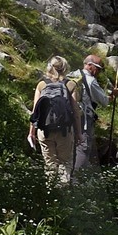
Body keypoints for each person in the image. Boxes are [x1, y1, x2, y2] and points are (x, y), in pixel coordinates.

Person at [28, 55, 81, 183]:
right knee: (65, 163)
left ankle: (50, 193)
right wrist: (79, 133)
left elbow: (35, 111)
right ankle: (63, 194)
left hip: (44, 130)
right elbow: (76, 112)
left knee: (50, 164)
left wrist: (31, 132)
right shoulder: (70, 85)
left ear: (49, 67)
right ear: (65, 68)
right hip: (65, 131)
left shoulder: (41, 85)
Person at [73, 51, 116, 171]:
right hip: (83, 120)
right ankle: (75, 177)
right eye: (98, 68)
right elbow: (104, 101)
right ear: (89, 65)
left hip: (66, 118)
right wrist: (112, 96)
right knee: (83, 147)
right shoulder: (90, 81)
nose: (98, 72)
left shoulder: (72, 75)